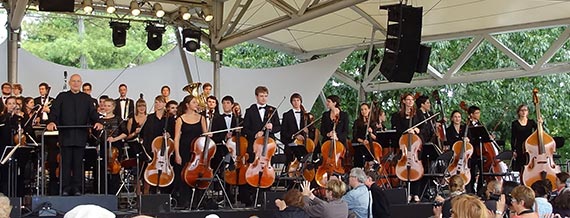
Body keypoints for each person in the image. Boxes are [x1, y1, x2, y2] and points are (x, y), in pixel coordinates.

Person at [47, 74, 103, 196]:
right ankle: (65, 188)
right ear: (70, 83)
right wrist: (51, 122)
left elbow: (93, 113)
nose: (76, 83)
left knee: (78, 164)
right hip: (65, 136)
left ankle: (77, 188)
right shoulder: (62, 96)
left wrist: (98, 122)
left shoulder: (87, 98)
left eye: (78, 81)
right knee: (65, 163)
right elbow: (54, 112)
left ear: (81, 83)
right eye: (74, 81)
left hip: (80, 136)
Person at [242, 86, 281, 206]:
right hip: (256, 147)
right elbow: (245, 128)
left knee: (267, 172)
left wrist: (272, 128)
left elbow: (279, 127)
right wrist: (255, 134)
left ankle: (266, 199)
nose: (264, 98)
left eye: (265, 96)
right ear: (256, 96)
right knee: (253, 170)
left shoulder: (272, 110)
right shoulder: (250, 110)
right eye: (261, 96)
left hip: (268, 148)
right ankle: (252, 198)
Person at [173, 95, 207, 209]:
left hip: (198, 152)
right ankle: (185, 202)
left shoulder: (201, 118)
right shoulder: (180, 119)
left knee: (198, 175)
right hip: (184, 151)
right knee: (184, 175)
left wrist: (209, 135)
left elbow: (205, 134)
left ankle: (198, 201)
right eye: (194, 102)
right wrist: (177, 154)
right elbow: (177, 138)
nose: (196, 104)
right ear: (187, 105)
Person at [390, 93, 423, 202]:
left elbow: (424, 127)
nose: (410, 102)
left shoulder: (418, 113)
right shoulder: (398, 115)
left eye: (411, 100)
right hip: (404, 145)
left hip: (415, 146)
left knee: (415, 167)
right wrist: (406, 131)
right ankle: (407, 192)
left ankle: (416, 193)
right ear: (403, 101)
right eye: (408, 100)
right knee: (406, 167)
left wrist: (417, 130)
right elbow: (397, 129)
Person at [139, 95, 174, 194]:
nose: (157, 104)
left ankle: (164, 192)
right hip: (151, 149)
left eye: (160, 102)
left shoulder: (169, 118)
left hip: (164, 150)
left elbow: (174, 132)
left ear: (164, 104)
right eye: (156, 102)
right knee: (147, 171)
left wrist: (169, 134)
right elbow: (144, 133)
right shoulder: (150, 118)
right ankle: (147, 194)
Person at [99, 98, 128, 194]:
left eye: (109, 106)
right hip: (103, 146)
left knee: (114, 170)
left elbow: (125, 133)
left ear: (113, 107)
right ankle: (104, 193)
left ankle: (114, 193)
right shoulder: (100, 120)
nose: (106, 108)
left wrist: (114, 139)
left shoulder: (118, 119)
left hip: (115, 146)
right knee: (103, 170)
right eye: (105, 106)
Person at [280, 93, 315, 169]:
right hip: (291, 142)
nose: (296, 102)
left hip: (304, 142)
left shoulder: (306, 115)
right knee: (296, 148)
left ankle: (307, 164)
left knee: (306, 149)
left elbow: (312, 131)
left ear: (300, 102)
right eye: (294, 100)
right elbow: (283, 131)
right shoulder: (286, 115)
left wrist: (307, 132)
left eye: (298, 100)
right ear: (291, 102)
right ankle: (302, 163)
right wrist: (295, 135)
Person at [319, 95, 349, 160]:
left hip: (340, 143)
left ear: (334, 103)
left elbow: (346, 131)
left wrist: (337, 137)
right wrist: (328, 134)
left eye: (329, 101)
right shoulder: (325, 115)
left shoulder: (344, 115)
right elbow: (322, 130)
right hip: (327, 143)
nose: (327, 103)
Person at [510, 105, 538, 172]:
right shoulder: (515, 123)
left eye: (525, 110)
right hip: (519, 147)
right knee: (520, 166)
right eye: (522, 110)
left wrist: (540, 123)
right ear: (518, 112)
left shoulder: (531, 122)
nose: (524, 112)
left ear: (527, 112)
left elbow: (539, 131)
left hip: (530, 147)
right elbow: (513, 137)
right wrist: (513, 150)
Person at [352, 103, 376, 168]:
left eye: (365, 109)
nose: (363, 111)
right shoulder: (357, 122)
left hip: (370, 146)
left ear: (369, 110)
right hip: (360, 146)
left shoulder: (373, 122)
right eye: (362, 110)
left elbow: (375, 137)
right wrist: (363, 141)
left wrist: (370, 133)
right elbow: (355, 136)